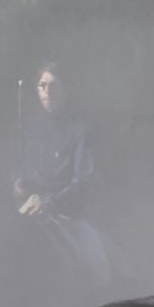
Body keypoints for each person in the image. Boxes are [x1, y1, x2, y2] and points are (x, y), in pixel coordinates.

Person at [15, 62, 96, 219]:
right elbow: (25, 170)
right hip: (32, 208)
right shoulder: (32, 126)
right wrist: (19, 184)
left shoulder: (80, 130)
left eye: (54, 86)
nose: (47, 91)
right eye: (42, 85)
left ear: (66, 90)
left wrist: (53, 204)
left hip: (66, 214)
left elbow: (84, 181)